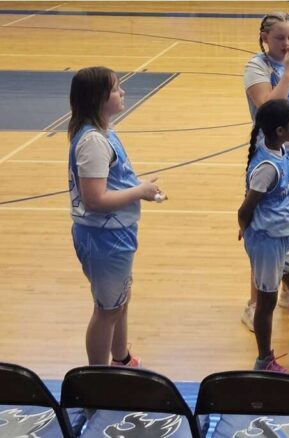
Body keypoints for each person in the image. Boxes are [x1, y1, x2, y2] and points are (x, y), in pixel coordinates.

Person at [68, 66, 163, 367]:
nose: (123, 93)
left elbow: (112, 182)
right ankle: (97, 381)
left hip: (115, 233)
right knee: (107, 310)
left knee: (120, 300)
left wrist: (140, 186)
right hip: (103, 237)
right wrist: (140, 192)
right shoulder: (93, 143)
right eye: (116, 89)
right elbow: (94, 199)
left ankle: (120, 359)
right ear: (98, 98)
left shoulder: (104, 134)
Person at [241, 12, 289, 330]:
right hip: (276, 155)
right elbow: (268, 107)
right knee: (266, 230)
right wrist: (286, 72)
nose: (287, 44)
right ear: (264, 37)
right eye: (280, 38)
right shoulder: (257, 67)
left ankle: (287, 289)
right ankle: (255, 302)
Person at [238, 98, 289, 373]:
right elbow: (246, 207)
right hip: (267, 242)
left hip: (281, 239)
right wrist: (245, 226)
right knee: (267, 302)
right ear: (281, 130)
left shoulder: (279, 150)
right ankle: (264, 359)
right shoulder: (266, 168)